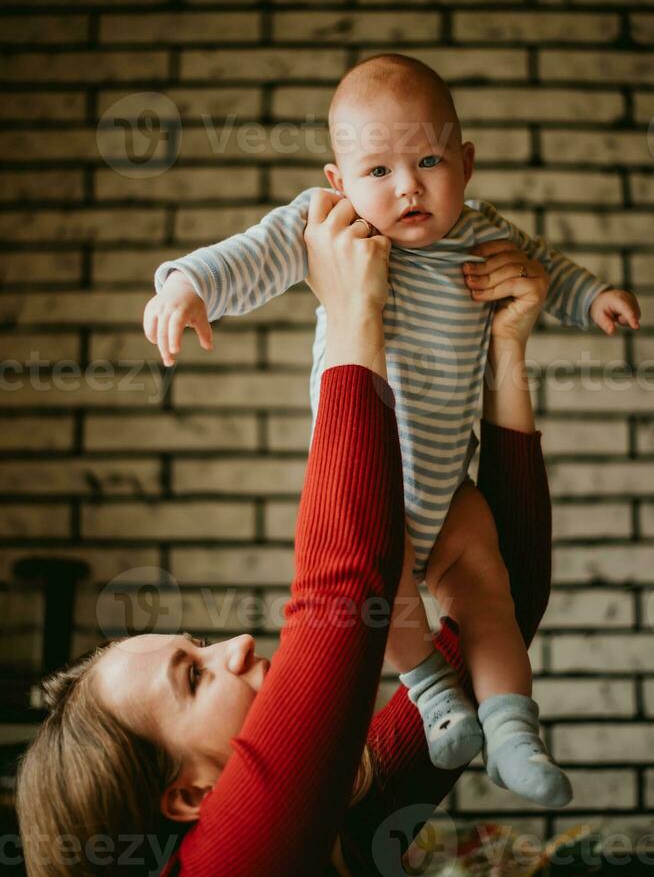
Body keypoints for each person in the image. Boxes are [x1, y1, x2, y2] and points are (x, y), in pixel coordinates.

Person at [143, 54, 641, 803]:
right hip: (372, 483)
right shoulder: (334, 223)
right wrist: (187, 285)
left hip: (450, 485)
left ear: (466, 165)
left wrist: (593, 296)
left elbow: (545, 268)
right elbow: (254, 253)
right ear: (340, 182)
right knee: (387, 605)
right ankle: (434, 694)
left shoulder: (482, 235)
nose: (408, 186)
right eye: (378, 169)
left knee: (490, 593)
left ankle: (512, 730)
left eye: (430, 159)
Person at [19, 193, 555, 877]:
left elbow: (509, 591)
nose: (238, 646)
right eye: (195, 676)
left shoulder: (345, 807)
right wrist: (352, 313)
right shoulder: (230, 864)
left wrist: (505, 345)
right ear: (188, 795)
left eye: (202, 647)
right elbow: (344, 586)